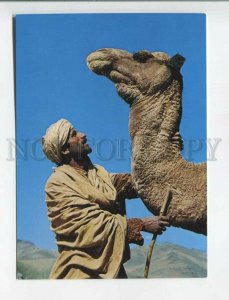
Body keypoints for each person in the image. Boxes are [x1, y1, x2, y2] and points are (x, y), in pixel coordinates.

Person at [42, 118, 170, 279]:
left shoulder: (98, 175)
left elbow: (134, 183)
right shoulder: (58, 183)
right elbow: (89, 227)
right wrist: (141, 224)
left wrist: (164, 162)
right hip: (80, 275)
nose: (83, 135)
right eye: (74, 134)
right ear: (65, 149)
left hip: (112, 271)